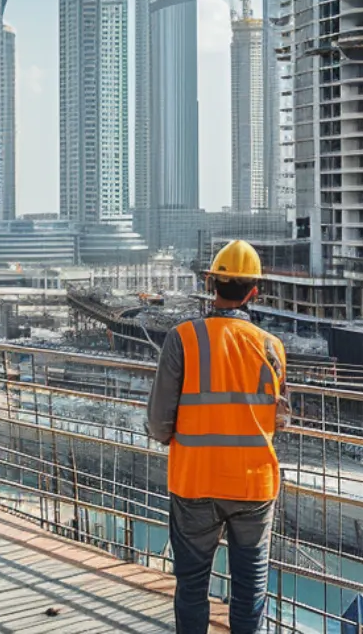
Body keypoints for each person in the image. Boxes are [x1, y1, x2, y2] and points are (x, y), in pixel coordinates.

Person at [146, 240, 289, 634]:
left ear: (211, 284)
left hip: (195, 481)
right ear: (254, 291)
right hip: (253, 485)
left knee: (192, 587)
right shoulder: (272, 347)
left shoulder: (182, 339)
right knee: (250, 592)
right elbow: (279, 419)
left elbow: (159, 424)